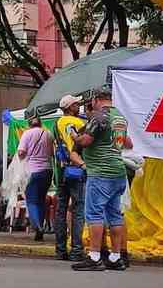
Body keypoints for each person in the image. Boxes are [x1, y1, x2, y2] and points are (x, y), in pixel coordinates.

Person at [71, 87, 132, 272]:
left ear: (96, 100)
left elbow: (86, 141)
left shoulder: (99, 117)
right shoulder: (120, 117)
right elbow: (125, 144)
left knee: (94, 214)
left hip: (100, 172)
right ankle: (115, 257)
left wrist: (75, 136)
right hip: (118, 172)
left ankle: (95, 256)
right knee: (115, 215)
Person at [53, 95, 87, 261]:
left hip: (61, 170)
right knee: (78, 210)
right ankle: (76, 250)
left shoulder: (56, 123)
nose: (79, 106)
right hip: (77, 169)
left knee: (60, 210)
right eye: (76, 104)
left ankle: (60, 250)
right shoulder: (80, 124)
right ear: (70, 107)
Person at [17, 114, 54, 241]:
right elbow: (51, 153)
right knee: (42, 199)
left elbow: (21, 152)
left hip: (32, 171)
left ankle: (38, 227)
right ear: (40, 123)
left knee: (31, 200)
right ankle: (41, 226)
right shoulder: (48, 134)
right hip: (48, 171)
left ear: (29, 124)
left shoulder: (27, 134)